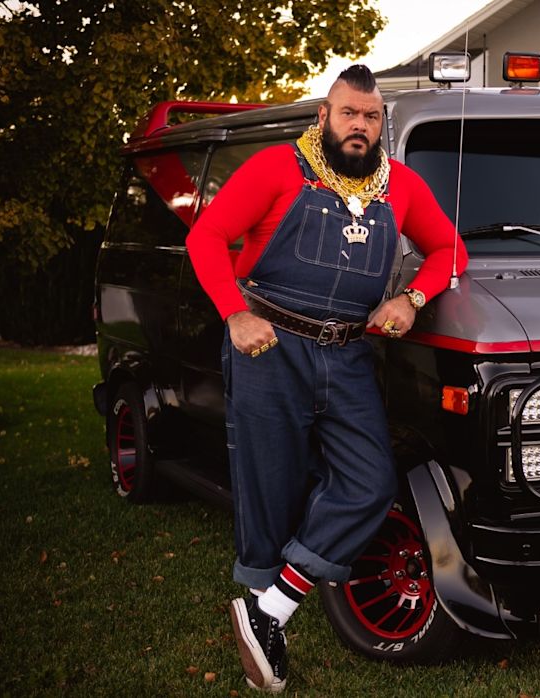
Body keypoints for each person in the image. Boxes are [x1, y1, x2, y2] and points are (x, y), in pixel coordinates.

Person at [185, 64, 467, 693]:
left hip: (348, 355)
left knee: (370, 481)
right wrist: (233, 313)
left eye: (370, 116)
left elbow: (451, 251)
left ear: (380, 123)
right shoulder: (274, 169)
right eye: (348, 113)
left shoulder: (403, 187)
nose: (359, 125)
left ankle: (270, 609)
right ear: (324, 116)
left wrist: (412, 299)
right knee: (271, 485)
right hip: (270, 346)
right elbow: (207, 237)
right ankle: (267, 625)